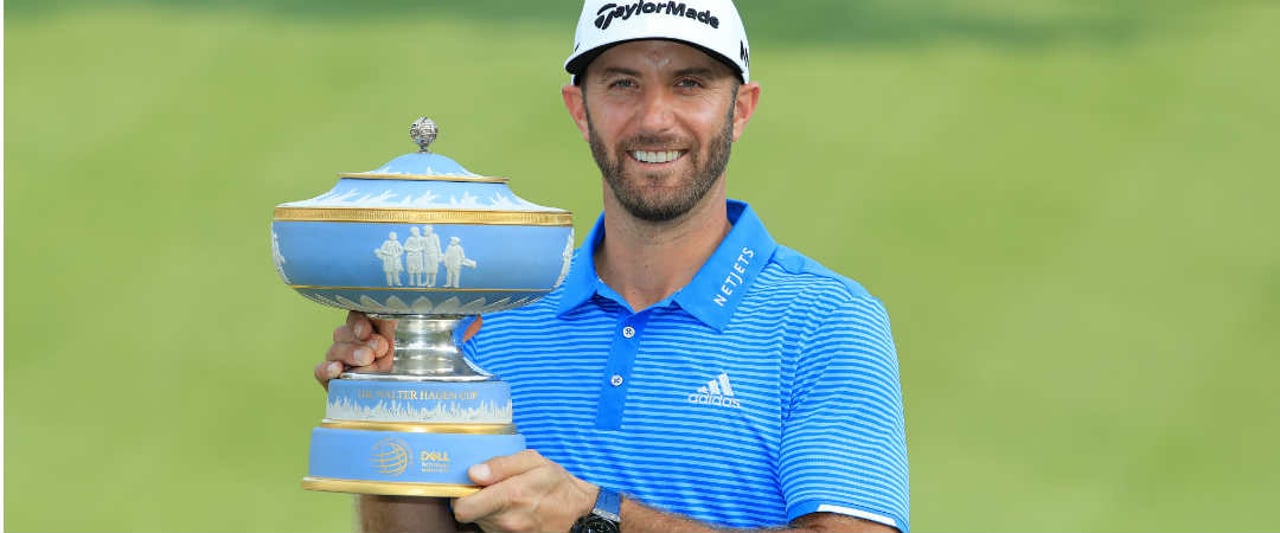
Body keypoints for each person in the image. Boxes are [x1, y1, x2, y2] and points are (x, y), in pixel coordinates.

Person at [319, 1, 909, 531]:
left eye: (690, 84)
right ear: (580, 109)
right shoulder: (489, 317)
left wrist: (592, 515)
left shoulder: (828, 322)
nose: (655, 118)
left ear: (740, 109)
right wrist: (390, 407)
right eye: (623, 84)